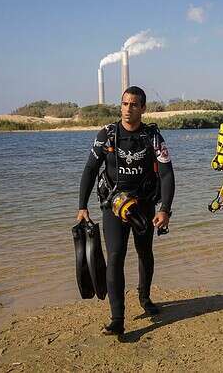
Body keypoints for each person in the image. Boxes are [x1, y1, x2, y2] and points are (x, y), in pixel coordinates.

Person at [77, 86, 175, 335]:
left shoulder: (153, 137)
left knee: (145, 253)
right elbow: (89, 170)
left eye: (133, 105)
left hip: (143, 205)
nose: (128, 109)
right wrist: (82, 206)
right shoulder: (106, 135)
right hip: (114, 206)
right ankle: (117, 318)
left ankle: (145, 298)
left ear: (143, 108)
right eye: (124, 104)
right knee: (116, 256)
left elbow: (166, 174)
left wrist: (164, 209)